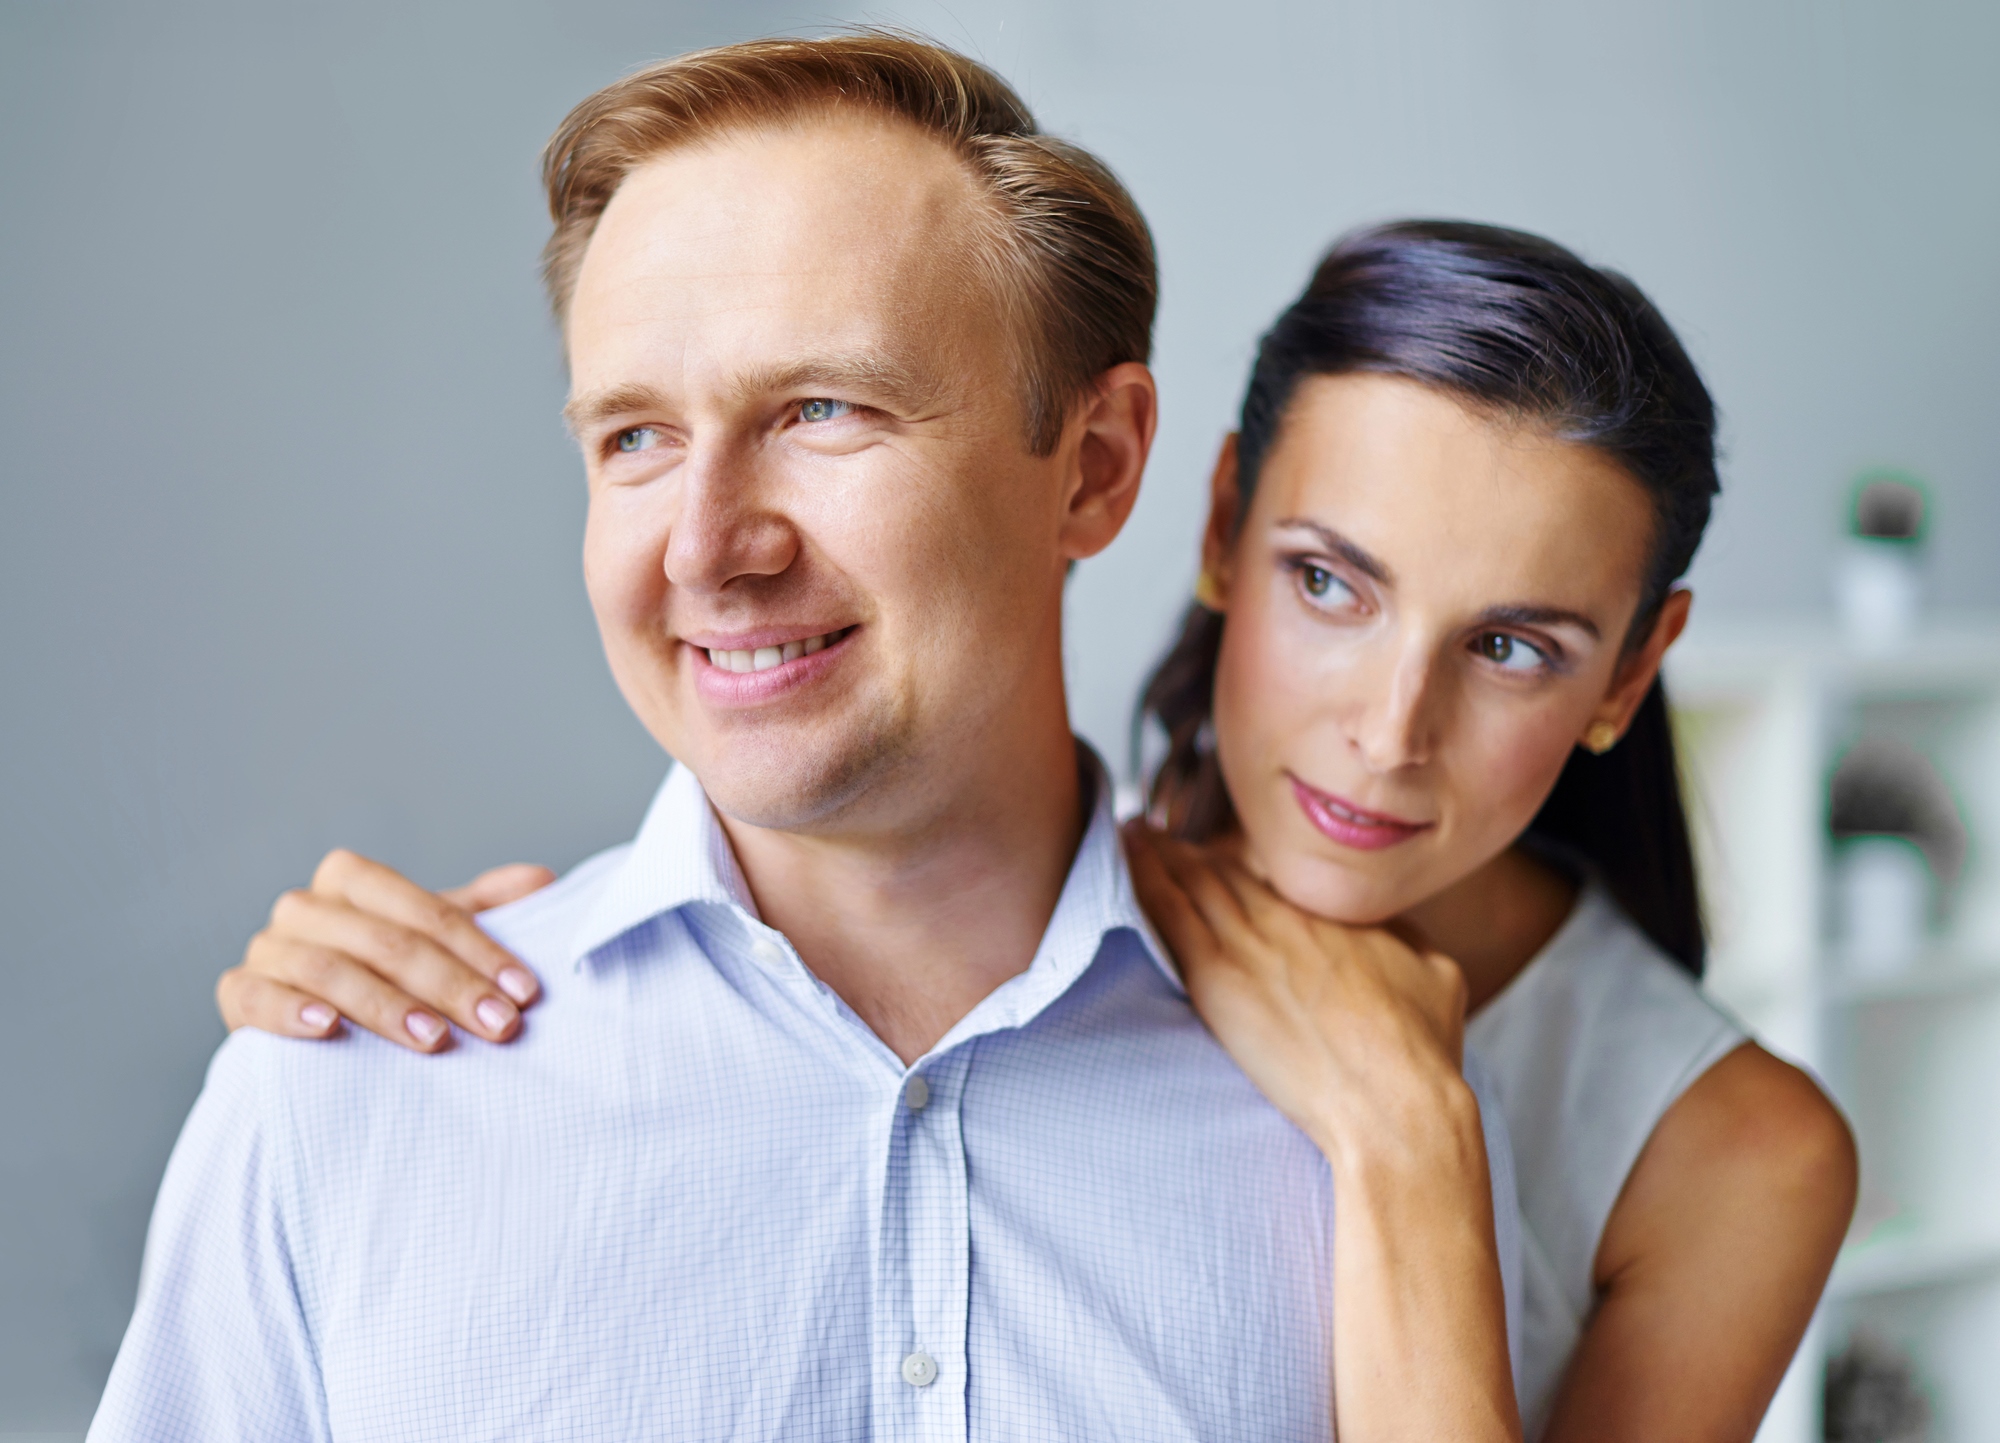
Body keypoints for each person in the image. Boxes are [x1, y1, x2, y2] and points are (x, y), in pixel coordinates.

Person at [93, 35, 1524, 1443]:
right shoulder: (339, 1101)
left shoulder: (1384, 1132)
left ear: (1092, 470)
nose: (708, 549)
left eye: (821, 409)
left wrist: (1408, 1147)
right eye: (636, 437)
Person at [226, 221, 1860, 1440]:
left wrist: (1410, 1149)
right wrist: (437, 993)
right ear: (1216, 523)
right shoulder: (1074, 914)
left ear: (1630, 673)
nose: (1388, 727)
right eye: (1329, 583)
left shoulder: (1737, 1157)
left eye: (1512, 647)